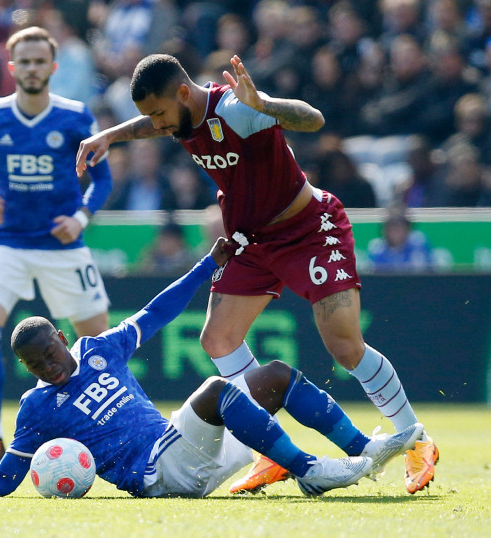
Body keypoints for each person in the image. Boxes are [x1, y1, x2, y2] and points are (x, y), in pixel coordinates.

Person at [75, 53, 438, 495]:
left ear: (184, 94)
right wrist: (111, 135)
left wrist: (264, 105)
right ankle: (273, 451)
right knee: (217, 338)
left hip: (307, 230)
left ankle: (415, 438)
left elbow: (314, 119)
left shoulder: (235, 108)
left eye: (159, 114)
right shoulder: (182, 118)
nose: (158, 126)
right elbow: (156, 123)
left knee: (345, 346)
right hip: (251, 239)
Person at [0, 239, 424, 499]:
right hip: (155, 474)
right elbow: (9, 479)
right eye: (34, 365)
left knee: (275, 376)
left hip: (185, 450)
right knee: (219, 389)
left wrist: (204, 268)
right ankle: (309, 470)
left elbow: (156, 311)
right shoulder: (37, 407)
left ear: (62, 335)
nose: (48, 367)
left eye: (51, 354)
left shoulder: (99, 348)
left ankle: (361, 450)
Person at [0, 26, 113, 467]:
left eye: (40, 61)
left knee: (101, 345)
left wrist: (81, 217)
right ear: (12, 68)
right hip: (7, 242)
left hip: (62, 246)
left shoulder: (75, 116)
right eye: (25, 62)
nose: (33, 69)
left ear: (52, 67)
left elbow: (104, 179)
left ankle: (107, 426)